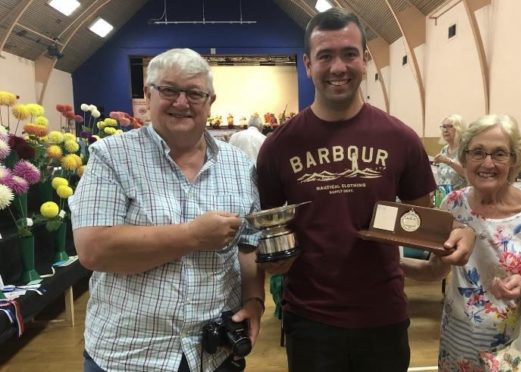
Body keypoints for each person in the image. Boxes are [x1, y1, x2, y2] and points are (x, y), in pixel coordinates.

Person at [255, 8, 476, 372]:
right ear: (308, 64)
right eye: (325, 56)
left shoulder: (400, 138)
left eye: (349, 54)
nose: (338, 66)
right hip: (310, 319)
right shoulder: (278, 147)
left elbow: (430, 224)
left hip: (383, 315)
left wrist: (460, 232)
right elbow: (268, 235)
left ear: (365, 60)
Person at [70, 48, 265, 372]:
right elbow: (94, 249)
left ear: (210, 101)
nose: (181, 102)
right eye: (169, 90)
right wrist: (191, 236)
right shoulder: (111, 157)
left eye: (194, 93)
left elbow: (249, 244)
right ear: (148, 95)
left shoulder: (239, 165)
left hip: (214, 355)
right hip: (128, 357)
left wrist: (254, 300)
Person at [402, 114, 521, 371]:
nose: (487, 163)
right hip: (459, 340)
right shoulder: (453, 205)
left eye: (499, 153)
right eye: (477, 152)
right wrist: (390, 263)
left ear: (513, 160)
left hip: (517, 349)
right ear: (464, 158)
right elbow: (435, 270)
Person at [433, 114, 467, 191]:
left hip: (460, 198)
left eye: (449, 126)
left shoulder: (466, 149)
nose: (445, 130)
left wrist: (448, 161)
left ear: (459, 129)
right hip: (443, 197)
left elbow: (468, 174)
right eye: (444, 127)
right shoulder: (444, 149)